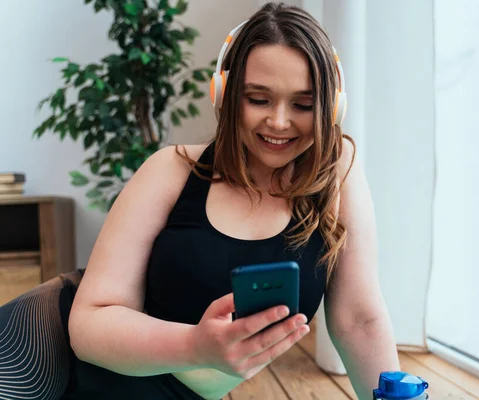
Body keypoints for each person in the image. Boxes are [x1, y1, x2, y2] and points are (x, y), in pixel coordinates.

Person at [0, 2, 400, 400]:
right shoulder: (170, 170)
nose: (279, 121)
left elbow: (359, 321)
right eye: (258, 99)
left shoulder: (337, 174)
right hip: (46, 364)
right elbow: (88, 325)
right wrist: (196, 345)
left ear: (332, 107)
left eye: (303, 104)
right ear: (224, 95)